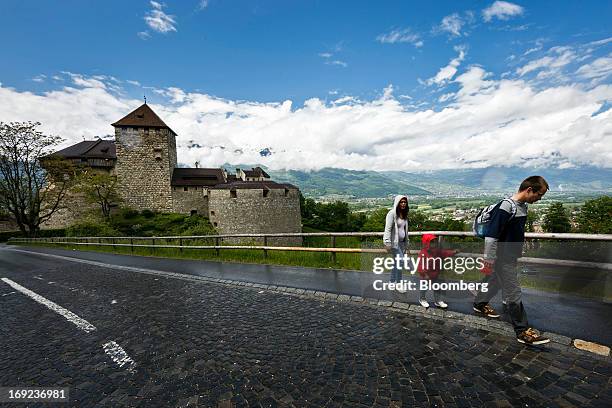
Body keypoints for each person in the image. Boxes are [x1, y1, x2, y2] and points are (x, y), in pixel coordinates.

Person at [473, 176, 550, 345]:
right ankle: (522, 331)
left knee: (495, 281)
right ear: (529, 190)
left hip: (509, 255)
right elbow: (491, 236)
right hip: (502, 257)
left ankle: (479, 303)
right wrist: (489, 259)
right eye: (539, 195)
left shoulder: (522, 207)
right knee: (513, 291)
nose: (539, 199)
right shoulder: (507, 206)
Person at [417, 234, 458, 309]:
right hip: (425, 275)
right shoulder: (423, 253)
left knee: (437, 288)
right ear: (427, 243)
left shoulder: (436, 251)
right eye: (432, 242)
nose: (434, 243)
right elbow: (420, 265)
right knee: (424, 288)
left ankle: (438, 300)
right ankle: (422, 299)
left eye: (435, 241)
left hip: (435, 274)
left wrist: (453, 252)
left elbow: (444, 253)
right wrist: (425, 274)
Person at [383, 195, 410, 291]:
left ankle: (392, 282)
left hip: (402, 243)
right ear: (397, 202)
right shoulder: (392, 213)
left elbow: (405, 231)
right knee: (401, 262)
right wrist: (387, 242)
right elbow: (388, 229)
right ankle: (398, 284)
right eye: (401, 202)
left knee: (396, 263)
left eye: (405, 202)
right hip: (395, 244)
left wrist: (407, 244)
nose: (403, 204)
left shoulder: (404, 214)